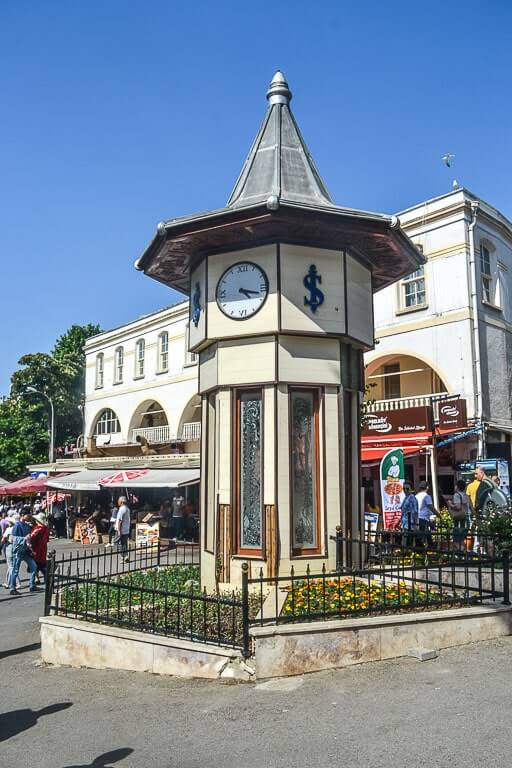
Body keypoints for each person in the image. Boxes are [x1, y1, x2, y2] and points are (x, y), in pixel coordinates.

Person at [8, 511, 38, 595]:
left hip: (26, 550)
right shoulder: (17, 525)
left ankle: (32, 585)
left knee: (33, 566)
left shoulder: (27, 525)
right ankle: (12, 588)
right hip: (18, 550)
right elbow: (13, 539)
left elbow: (28, 538)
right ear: (22, 515)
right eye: (28, 514)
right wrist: (25, 539)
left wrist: (30, 539)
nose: (29, 516)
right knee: (15, 570)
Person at [449, 480, 472, 550]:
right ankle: (464, 556)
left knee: (456, 541)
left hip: (459, 520)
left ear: (457, 487)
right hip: (466, 519)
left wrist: (450, 504)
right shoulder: (466, 495)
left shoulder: (457, 495)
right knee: (462, 540)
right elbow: (470, 507)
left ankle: (461, 555)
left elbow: (458, 507)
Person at [415, 481, 437, 548]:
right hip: (423, 518)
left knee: (424, 534)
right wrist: (438, 515)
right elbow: (431, 507)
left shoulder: (416, 496)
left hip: (416, 518)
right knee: (423, 535)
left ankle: (429, 547)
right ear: (427, 487)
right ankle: (424, 549)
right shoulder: (427, 496)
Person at [31, 512, 50, 582]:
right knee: (42, 562)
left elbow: (32, 539)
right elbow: (47, 539)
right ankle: (43, 577)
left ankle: (38, 577)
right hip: (43, 547)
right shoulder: (46, 528)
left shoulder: (37, 529)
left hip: (36, 547)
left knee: (36, 563)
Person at [115, 496, 131, 561]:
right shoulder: (127, 509)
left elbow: (120, 520)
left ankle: (122, 556)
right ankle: (126, 555)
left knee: (118, 543)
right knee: (125, 543)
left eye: (118, 501)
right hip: (126, 528)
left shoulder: (121, 509)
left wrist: (119, 530)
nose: (117, 502)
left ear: (121, 502)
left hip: (121, 529)